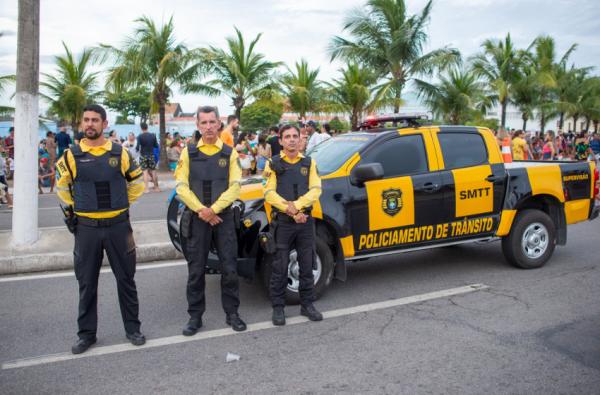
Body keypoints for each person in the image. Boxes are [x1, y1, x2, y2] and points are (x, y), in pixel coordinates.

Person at [55, 104, 146, 354]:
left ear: (105, 124)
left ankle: (133, 329)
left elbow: (138, 182)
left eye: (95, 120)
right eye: (86, 120)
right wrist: (77, 209)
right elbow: (61, 188)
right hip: (87, 230)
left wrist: (121, 202)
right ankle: (86, 334)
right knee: (86, 283)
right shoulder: (70, 156)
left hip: (118, 226)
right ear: (81, 123)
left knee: (126, 280)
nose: (90, 124)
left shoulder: (121, 153)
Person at [174, 105, 246, 334]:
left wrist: (213, 210)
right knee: (196, 270)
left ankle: (232, 313)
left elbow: (235, 187)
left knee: (230, 269)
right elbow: (181, 187)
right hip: (198, 219)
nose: (208, 127)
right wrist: (202, 211)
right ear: (198, 125)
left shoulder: (229, 153)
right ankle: (195, 317)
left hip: (223, 219)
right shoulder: (188, 153)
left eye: (211, 122)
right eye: (203, 123)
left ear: (219, 124)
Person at [263, 124, 323, 326]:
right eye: (287, 136)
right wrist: (291, 211)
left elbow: (316, 190)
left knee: (307, 265)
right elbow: (269, 193)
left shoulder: (309, 163)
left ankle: (307, 305)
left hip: (304, 221)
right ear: (280, 141)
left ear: (301, 139)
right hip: (283, 223)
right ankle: (278, 308)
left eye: (294, 136)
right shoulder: (273, 164)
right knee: (280, 267)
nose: (291, 140)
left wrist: (297, 207)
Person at [136, 122, 160, 192]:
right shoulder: (153, 135)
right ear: (147, 127)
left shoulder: (139, 136)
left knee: (145, 172)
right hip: (151, 155)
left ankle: (146, 189)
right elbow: (156, 145)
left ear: (141, 128)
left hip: (143, 155)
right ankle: (156, 188)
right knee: (153, 171)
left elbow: (137, 147)